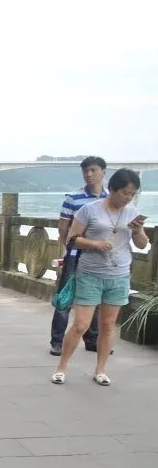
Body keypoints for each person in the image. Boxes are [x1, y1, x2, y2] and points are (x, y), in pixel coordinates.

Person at [53, 168, 146, 386]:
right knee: (81, 325)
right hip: (90, 274)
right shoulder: (89, 210)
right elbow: (72, 239)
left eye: (132, 194)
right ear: (112, 189)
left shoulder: (132, 213)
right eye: (125, 193)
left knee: (108, 325)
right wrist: (95, 244)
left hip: (119, 275)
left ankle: (100, 370)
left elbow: (142, 244)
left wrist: (138, 231)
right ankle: (61, 367)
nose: (128, 198)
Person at [50, 156, 108, 356]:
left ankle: (92, 340)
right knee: (65, 297)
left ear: (103, 172)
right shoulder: (73, 198)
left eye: (93, 170)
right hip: (75, 255)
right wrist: (70, 248)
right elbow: (63, 227)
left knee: (95, 298)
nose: (88, 174)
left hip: (100, 257)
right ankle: (57, 341)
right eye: (85, 171)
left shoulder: (110, 198)